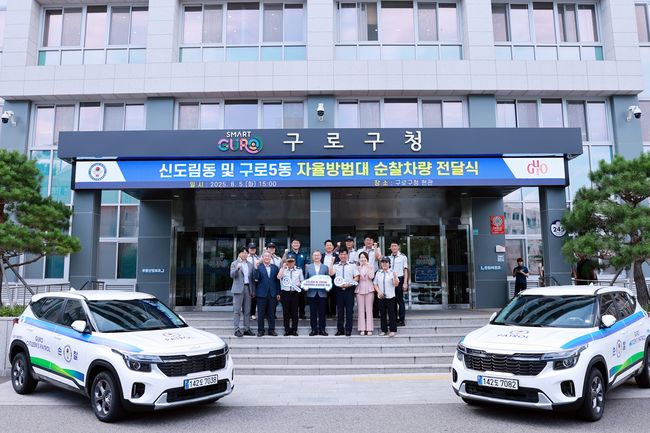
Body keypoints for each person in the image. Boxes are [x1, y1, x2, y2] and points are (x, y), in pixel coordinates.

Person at [329, 249, 359, 336]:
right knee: (340, 311)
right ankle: (340, 330)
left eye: (345, 254)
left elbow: (357, 277)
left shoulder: (352, 265)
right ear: (339, 256)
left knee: (349, 311)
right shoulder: (335, 265)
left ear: (347, 255)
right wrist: (331, 262)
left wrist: (348, 285)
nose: (343, 256)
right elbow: (331, 273)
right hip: (338, 291)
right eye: (341, 254)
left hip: (349, 290)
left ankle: (348, 330)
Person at [253, 251, 280, 337]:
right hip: (261, 294)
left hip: (272, 294)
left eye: (268, 256)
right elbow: (256, 278)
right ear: (262, 258)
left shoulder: (275, 268)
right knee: (261, 314)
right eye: (265, 256)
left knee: (271, 313)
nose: (267, 257)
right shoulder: (259, 267)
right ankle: (261, 331)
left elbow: (277, 281)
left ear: (271, 257)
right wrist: (256, 268)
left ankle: (271, 330)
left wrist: (278, 293)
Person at [230, 247, 255, 337]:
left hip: (248, 288)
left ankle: (246, 329)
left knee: (247, 310)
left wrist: (253, 291)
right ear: (239, 254)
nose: (244, 254)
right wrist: (237, 269)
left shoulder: (250, 265)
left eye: (246, 253)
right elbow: (232, 275)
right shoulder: (234, 263)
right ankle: (236, 329)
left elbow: (252, 279)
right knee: (237, 310)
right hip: (238, 289)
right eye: (242, 252)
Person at [305, 250, 330, 336]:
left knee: (322, 312)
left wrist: (328, 287)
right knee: (313, 313)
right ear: (312, 257)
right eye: (315, 255)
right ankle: (314, 330)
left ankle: (322, 330)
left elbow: (328, 279)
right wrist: (305, 286)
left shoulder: (325, 267)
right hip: (311, 293)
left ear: (321, 257)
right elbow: (306, 279)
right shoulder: (308, 267)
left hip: (322, 293)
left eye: (318, 255)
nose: (316, 257)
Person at [277, 256, 304, 336]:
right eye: (289, 261)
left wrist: (298, 285)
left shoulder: (299, 270)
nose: (290, 263)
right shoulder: (283, 269)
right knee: (286, 313)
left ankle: (294, 330)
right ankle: (287, 330)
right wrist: (283, 267)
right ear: (286, 262)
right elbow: (278, 277)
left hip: (295, 293)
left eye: (292, 261)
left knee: (295, 313)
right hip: (285, 293)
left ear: (294, 262)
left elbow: (302, 281)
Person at [374, 257, 399, 336]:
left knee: (391, 314)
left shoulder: (392, 272)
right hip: (381, 296)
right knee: (382, 314)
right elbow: (375, 284)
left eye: (386, 262)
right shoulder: (378, 273)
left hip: (390, 297)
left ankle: (392, 330)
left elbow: (396, 284)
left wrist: (395, 277)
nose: (384, 264)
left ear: (389, 264)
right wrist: (379, 292)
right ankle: (384, 330)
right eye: (383, 262)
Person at [284, 238, 308, 319]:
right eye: (294, 243)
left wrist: (305, 279)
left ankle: (302, 313)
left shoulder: (303, 254)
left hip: (300, 280)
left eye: (297, 243)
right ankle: (291, 314)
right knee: (291, 299)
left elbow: (306, 266)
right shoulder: (288, 254)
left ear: (299, 245)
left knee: (301, 298)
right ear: (291, 245)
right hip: (289, 280)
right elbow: (284, 263)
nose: (296, 244)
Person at [389, 241, 409, 326]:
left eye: (395, 246)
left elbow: (405, 270)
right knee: (392, 301)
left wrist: (405, 282)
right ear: (390, 248)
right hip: (390, 281)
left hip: (400, 279)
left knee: (400, 301)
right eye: (392, 246)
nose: (393, 247)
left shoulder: (403, 257)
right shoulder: (388, 258)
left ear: (398, 247)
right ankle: (393, 320)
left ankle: (401, 320)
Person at [355, 252, 376, 336]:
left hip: (369, 289)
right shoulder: (357, 267)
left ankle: (369, 328)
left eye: (364, 257)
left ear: (367, 258)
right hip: (359, 289)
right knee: (360, 310)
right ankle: (362, 329)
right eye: (361, 257)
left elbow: (371, 276)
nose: (362, 259)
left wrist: (368, 266)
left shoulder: (371, 266)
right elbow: (356, 278)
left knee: (369, 309)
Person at [322, 239, 339, 318]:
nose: (329, 247)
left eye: (330, 245)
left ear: (333, 247)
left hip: (334, 277)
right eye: (327, 245)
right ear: (325, 247)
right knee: (325, 295)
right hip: (324, 278)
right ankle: (326, 312)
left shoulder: (337, 256)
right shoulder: (321, 256)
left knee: (333, 295)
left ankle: (333, 313)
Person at [246, 242, 260, 320]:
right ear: (248, 249)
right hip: (248, 280)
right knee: (248, 297)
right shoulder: (245, 257)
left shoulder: (258, 258)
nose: (252, 249)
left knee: (254, 297)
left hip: (256, 279)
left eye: (254, 248)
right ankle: (247, 313)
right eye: (251, 248)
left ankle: (252, 313)